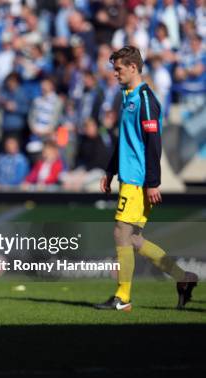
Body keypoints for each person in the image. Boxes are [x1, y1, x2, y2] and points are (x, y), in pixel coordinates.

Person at [96, 46, 198, 312]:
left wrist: (153, 181)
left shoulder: (145, 100)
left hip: (139, 180)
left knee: (121, 232)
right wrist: (110, 170)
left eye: (118, 69)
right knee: (134, 240)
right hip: (129, 177)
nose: (115, 73)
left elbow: (154, 143)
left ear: (132, 67)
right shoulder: (128, 97)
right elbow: (126, 141)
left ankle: (123, 297)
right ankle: (183, 278)